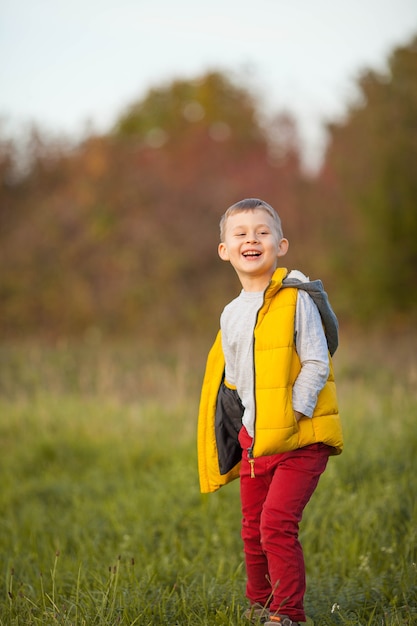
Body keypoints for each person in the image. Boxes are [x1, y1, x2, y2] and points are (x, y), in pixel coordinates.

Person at [197, 198, 343, 625]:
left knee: (276, 524)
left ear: (279, 245)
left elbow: (318, 362)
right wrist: (239, 426)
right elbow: (236, 378)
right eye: (240, 234)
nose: (251, 240)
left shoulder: (296, 300)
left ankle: (288, 615)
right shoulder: (230, 313)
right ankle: (259, 603)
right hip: (256, 440)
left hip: (300, 436)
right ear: (224, 249)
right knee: (252, 528)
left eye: (262, 233)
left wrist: (293, 409)